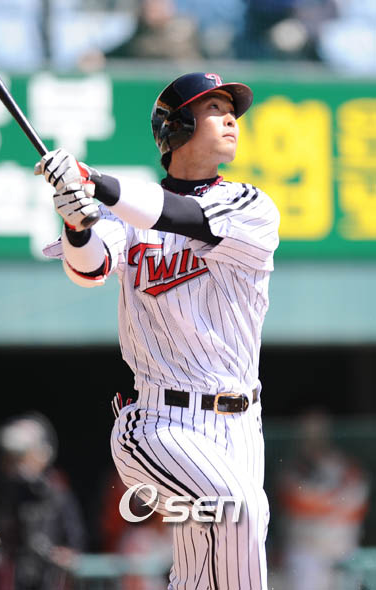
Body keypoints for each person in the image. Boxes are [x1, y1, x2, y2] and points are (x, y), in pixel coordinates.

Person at [38, 71, 280, 589]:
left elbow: (181, 214)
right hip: (158, 423)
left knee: (201, 570)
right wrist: (77, 222)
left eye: (231, 110)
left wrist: (93, 181)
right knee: (240, 511)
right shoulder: (126, 215)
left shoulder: (251, 206)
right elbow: (89, 268)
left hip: (240, 426)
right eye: (214, 109)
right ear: (178, 126)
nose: (230, 119)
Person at [0, 412, 87, 590]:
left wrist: (59, 558)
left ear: (43, 454)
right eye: (10, 457)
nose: (16, 465)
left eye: (21, 456)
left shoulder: (58, 497)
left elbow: (75, 547)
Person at [276, 410, 370, 590]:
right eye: (308, 434)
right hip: (307, 552)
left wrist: (322, 501)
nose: (314, 439)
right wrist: (337, 501)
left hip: (343, 549)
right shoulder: (293, 467)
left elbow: (358, 505)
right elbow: (298, 503)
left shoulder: (344, 464)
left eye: (318, 433)